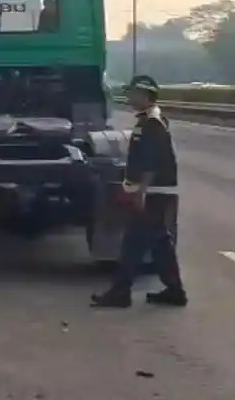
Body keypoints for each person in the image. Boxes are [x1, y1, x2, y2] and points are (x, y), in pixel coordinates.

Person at [92, 75, 188, 308]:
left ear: (146, 96)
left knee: (133, 243)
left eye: (134, 93)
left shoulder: (152, 123)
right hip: (154, 191)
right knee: (160, 243)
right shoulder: (147, 120)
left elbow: (151, 162)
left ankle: (120, 292)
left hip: (153, 191)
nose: (130, 97)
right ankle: (175, 291)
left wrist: (140, 193)